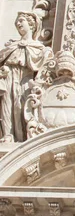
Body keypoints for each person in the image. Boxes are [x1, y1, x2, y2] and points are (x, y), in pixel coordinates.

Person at [0, 12, 48, 142]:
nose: (18, 24)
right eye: (17, 22)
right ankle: (8, 135)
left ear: (31, 24)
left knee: (20, 105)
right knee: (6, 105)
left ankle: (24, 136)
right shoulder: (12, 46)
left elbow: (41, 65)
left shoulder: (38, 48)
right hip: (9, 77)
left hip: (26, 79)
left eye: (21, 21)